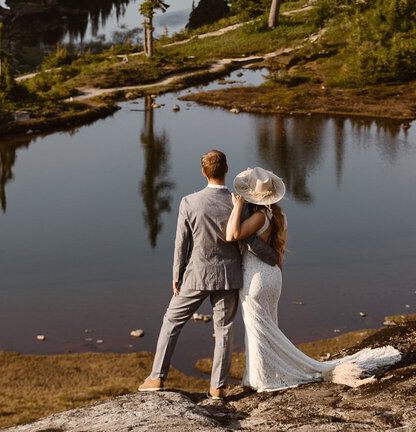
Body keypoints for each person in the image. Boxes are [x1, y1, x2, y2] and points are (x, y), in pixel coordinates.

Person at [225, 166, 401, 392]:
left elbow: (233, 235)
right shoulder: (280, 216)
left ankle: (259, 380)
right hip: (274, 277)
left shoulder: (259, 217)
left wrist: (237, 207)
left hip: (255, 278)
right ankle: (259, 375)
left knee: (256, 331)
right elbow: (279, 255)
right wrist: (277, 278)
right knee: (269, 330)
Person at [139, 149, 241, 400]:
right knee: (224, 330)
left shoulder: (189, 202)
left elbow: (180, 242)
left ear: (204, 172)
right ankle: (218, 387)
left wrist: (177, 273)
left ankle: (157, 377)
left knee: (171, 322)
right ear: (226, 170)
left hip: (196, 275)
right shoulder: (238, 202)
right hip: (228, 275)